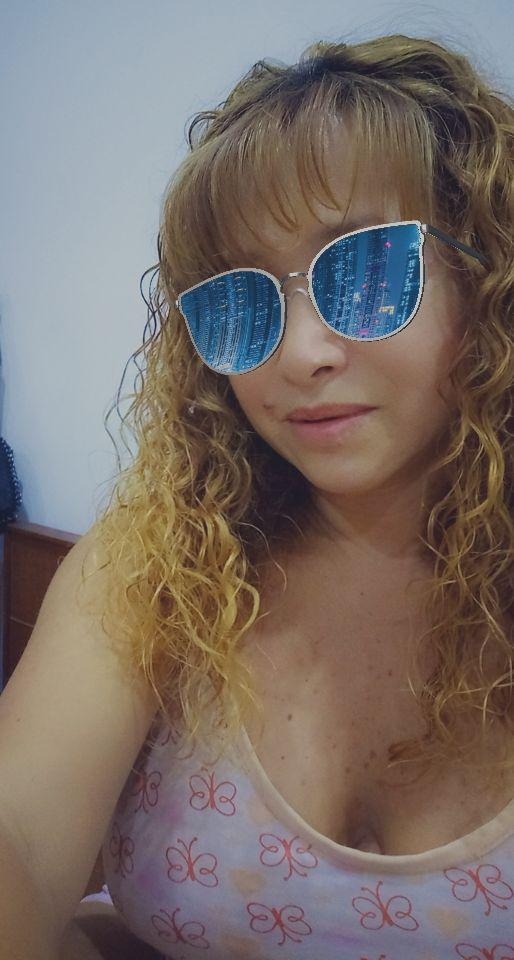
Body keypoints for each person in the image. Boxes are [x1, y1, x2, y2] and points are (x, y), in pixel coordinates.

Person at [1, 31, 514, 960]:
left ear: (488, 277)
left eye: (367, 272)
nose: (299, 354)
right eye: (241, 303)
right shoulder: (158, 562)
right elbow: (24, 845)